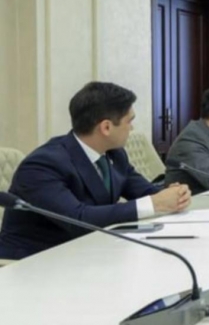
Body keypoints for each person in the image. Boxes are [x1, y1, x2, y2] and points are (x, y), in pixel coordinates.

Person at [0, 82, 191, 259]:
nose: (132, 128)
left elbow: (146, 192)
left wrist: (174, 195)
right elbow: (78, 219)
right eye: (129, 121)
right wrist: (155, 203)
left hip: (91, 250)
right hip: (35, 260)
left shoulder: (115, 154)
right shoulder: (43, 165)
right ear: (106, 127)